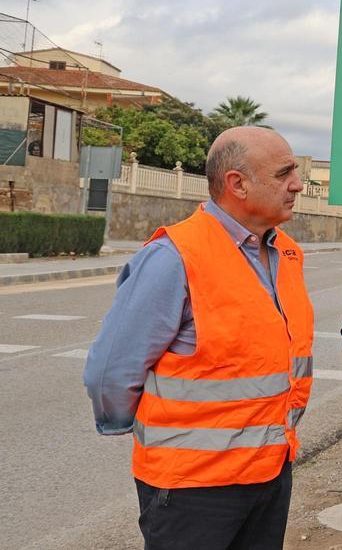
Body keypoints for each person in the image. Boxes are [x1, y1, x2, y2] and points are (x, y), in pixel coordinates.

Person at [83, 126, 314, 549]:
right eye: (284, 174)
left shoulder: (286, 253)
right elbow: (110, 372)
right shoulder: (174, 257)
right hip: (192, 486)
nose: (297, 185)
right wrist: (162, 439)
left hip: (269, 472)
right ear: (237, 184)